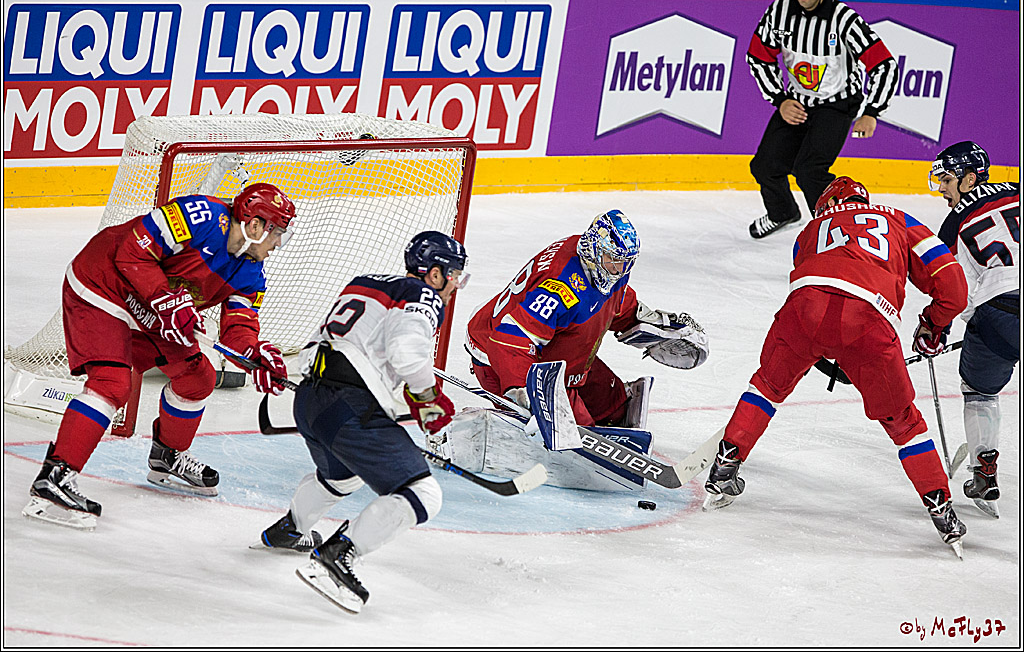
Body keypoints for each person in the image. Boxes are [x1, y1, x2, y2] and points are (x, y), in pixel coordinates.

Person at [704, 177, 972, 556]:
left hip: (803, 309)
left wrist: (826, 350)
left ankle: (724, 467)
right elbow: (954, 288)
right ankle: (941, 508)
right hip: (869, 317)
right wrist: (932, 325)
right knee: (903, 422)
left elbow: (820, 285)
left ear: (826, 206)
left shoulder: (810, 229)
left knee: (767, 386)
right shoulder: (899, 219)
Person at [22, 183, 295, 530]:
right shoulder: (200, 215)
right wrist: (166, 299)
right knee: (111, 384)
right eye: (278, 233)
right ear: (255, 226)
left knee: (198, 378)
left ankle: (167, 455)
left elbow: (238, 331)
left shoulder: (251, 274)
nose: (278, 245)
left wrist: (255, 355)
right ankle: (55, 476)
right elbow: (131, 252)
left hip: (152, 311)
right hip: (104, 282)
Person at [268, 231, 467, 615]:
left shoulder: (365, 282)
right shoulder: (424, 295)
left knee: (342, 478)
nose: (456, 284)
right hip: (348, 406)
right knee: (424, 494)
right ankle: (338, 555)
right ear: (435, 274)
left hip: (309, 400)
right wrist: (429, 400)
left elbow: (360, 344)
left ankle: (292, 528)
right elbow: (406, 354)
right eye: (454, 275)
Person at [464, 209, 707, 432]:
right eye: (614, 260)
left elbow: (606, 300)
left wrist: (644, 322)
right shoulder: (558, 289)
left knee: (615, 406)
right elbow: (511, 339)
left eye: (626, 261)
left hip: (554, 345)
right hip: (499, 354)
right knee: (578, 436)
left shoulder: (600, 263)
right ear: (594, 250)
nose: (620, 268)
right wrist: (524, 390)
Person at [746, 0, 900, 239]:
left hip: (837, 105)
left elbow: (884, 65)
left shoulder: (844, 19)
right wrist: (780, 99)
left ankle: (838, 231)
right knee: (765, 166)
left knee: (810, 171)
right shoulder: (780, 11)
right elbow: (758, 56)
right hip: (797, 101)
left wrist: (872, 111)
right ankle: (783, 212)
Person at [928, 141, 1019, 518]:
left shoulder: (953, 223)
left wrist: (937, 328)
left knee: (980, 390)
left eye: (947, 180)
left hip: (1002, 311)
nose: (941, 188)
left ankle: (984, 472)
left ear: (969, 179)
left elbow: (955, 292)